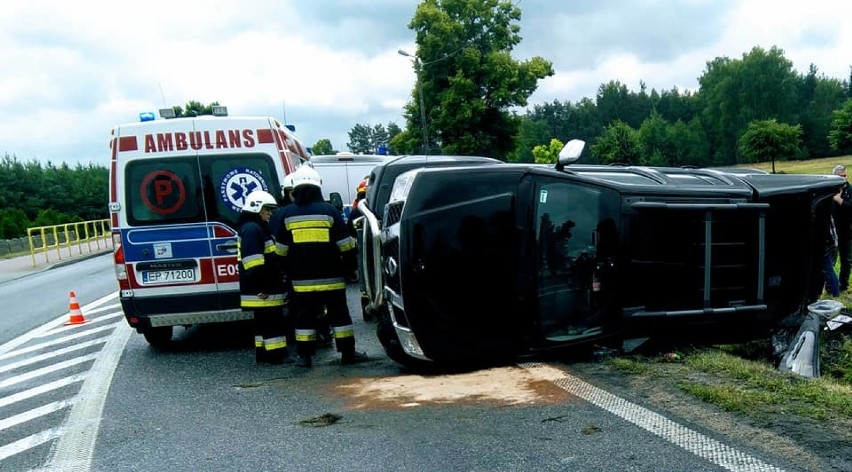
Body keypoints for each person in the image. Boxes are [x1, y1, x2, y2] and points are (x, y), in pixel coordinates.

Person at [273, 165, 368, 367]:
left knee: (304, 318)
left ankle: (304, 357)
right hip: (332, 278)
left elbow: (280, 251)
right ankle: (348, 354)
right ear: (318, 187)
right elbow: (346, 245)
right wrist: (350, 269)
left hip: (301, 282)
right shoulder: (329, 211)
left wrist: (285, 272)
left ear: (295, 189)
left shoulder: (287, 214)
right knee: (340, 316)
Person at [237, 190, 292, 364]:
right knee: (272, 322)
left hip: (260, 287)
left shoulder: (253, 228)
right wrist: (262, 288)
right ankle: (276, 355)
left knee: (263, 323)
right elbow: (254, 264)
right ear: (257, 208)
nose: (270, 213)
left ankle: (263, 354)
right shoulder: (253, 229)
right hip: (263, 289)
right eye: (267, 209)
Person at [832, 164, 852, 291]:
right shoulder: (828, 190)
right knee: (830, 260)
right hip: (831, 230)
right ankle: (830, 284)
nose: (843, 179)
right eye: (840, 176)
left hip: (847, 230)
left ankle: (843, 285)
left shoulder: (850, 190)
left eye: (844, 176)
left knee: (846, 259)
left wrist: (840, 201)